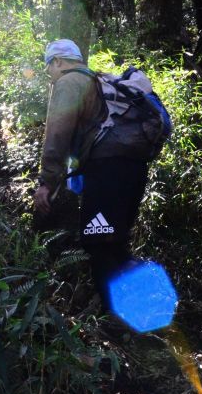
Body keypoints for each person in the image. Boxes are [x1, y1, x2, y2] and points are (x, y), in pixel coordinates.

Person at [33, 39, 151, 311]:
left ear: (58, 62)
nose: (49, 74)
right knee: (116, 241)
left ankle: (117, 319)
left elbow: (57, 135)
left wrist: (46, 183)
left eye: (48, 67)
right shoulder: (98, 81)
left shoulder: (69, 82)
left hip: (107, 171)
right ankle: (134, 312)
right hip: (134, 168)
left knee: (97, 241)